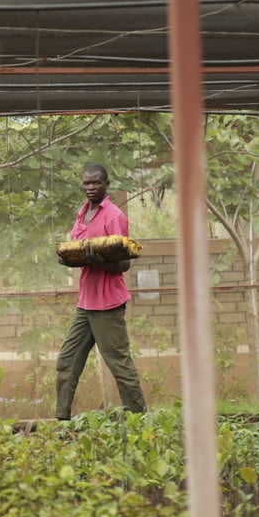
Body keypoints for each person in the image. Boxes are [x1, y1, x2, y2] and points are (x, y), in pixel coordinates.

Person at [54, 163, 147, 420]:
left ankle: (139, 419)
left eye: (96, 183)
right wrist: (68, 258)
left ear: (106, 184)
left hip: (108, 305)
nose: (90, 188)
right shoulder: (82, 213)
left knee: (119, 364)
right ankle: (61, 420)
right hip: (86, 303)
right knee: (66, 362)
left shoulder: (114, 216)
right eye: (86, 183)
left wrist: (100, 262)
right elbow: (77, 250)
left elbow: (124, 263)